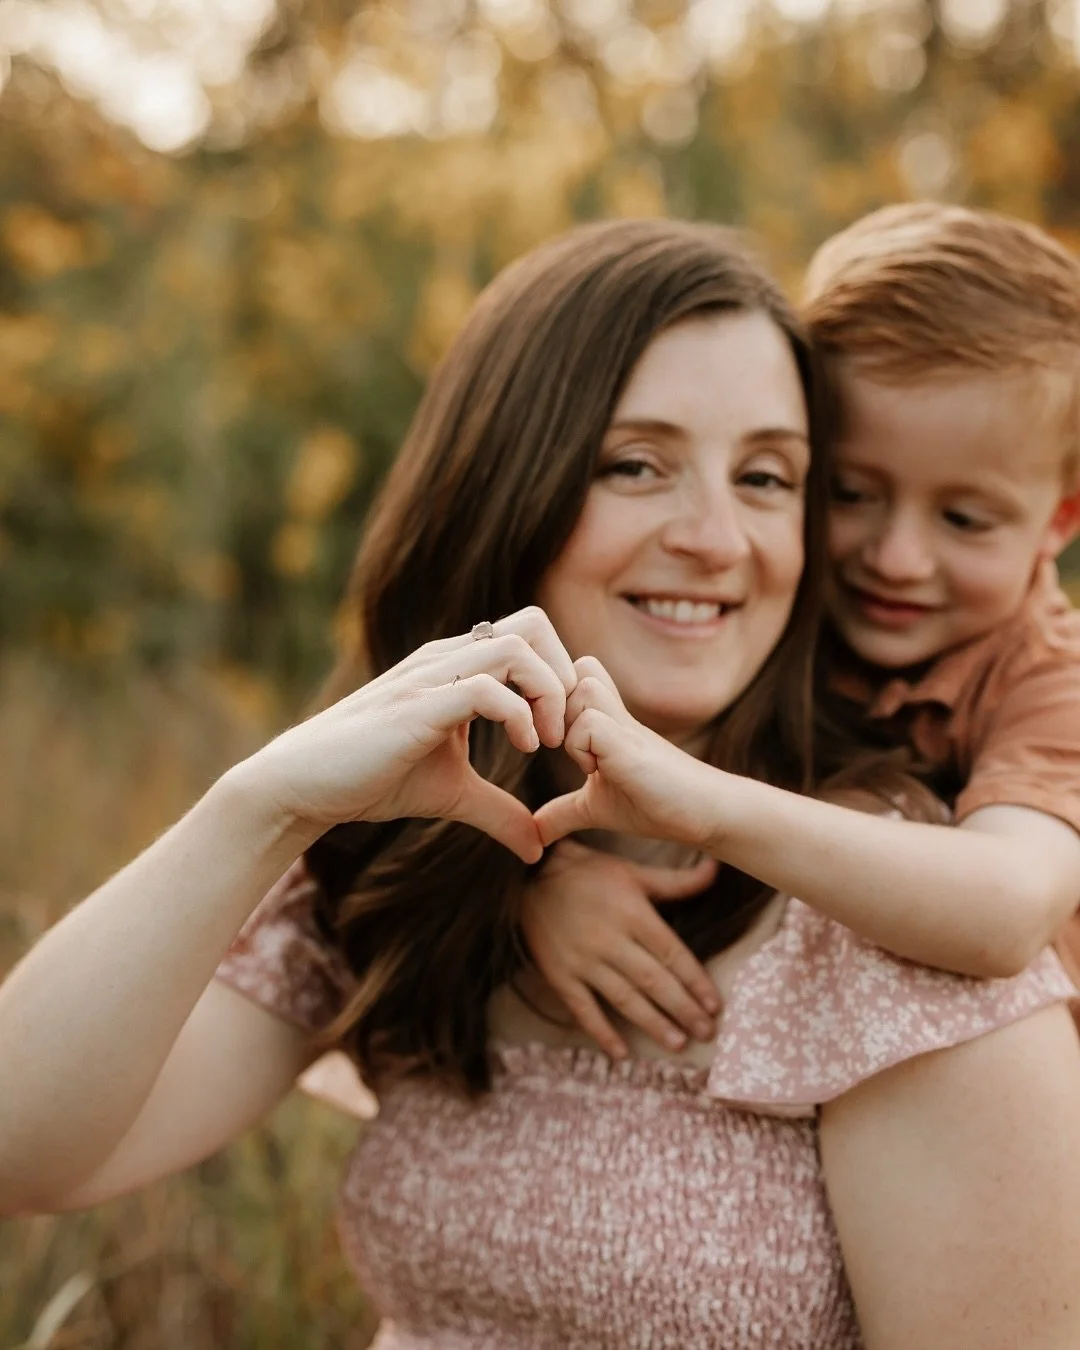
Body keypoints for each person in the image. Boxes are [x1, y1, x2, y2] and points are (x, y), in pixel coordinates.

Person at [1, 219, 1079, 1350]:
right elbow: (24, 1148)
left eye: (766, 477)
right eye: (635, 464)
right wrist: (261, 806)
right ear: (506, 486)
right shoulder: (433, 859)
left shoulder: (892, 919)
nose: (716, 537)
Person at [527, 203, 1080, 1060]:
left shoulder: (1053, 682)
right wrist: (538, 879)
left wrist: (704, 805)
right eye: (850, 493)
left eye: (965, 519)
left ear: (1058, 523)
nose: (896, 559)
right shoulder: (765, 599)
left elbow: (1007, 910)